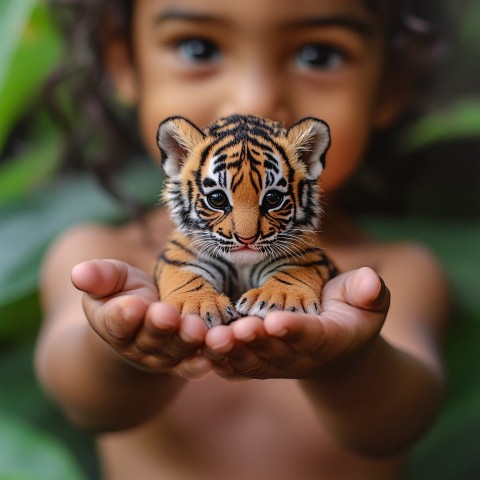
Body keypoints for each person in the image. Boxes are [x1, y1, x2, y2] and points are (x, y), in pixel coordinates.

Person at [35, 0, 450, 479]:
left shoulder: (391, 271)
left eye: (318, 55)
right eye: (199, 47)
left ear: (391, 83)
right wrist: (129, 347)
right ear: (121, 61)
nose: (253, 99)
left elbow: (397, 425)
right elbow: (83, 401)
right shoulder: (97, 254)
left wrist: (347, 365)